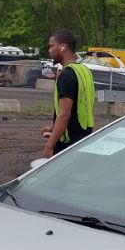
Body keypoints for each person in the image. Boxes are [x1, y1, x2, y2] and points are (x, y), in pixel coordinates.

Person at [40, 29, 95, 158]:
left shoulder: (66, 75)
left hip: (68, 144)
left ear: (63, 47)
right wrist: (53, 127)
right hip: (83, 138)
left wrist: (49, 146)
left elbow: (64, 115)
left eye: (52, 46)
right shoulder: (84, 71)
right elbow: (79, 107)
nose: (49, 51)